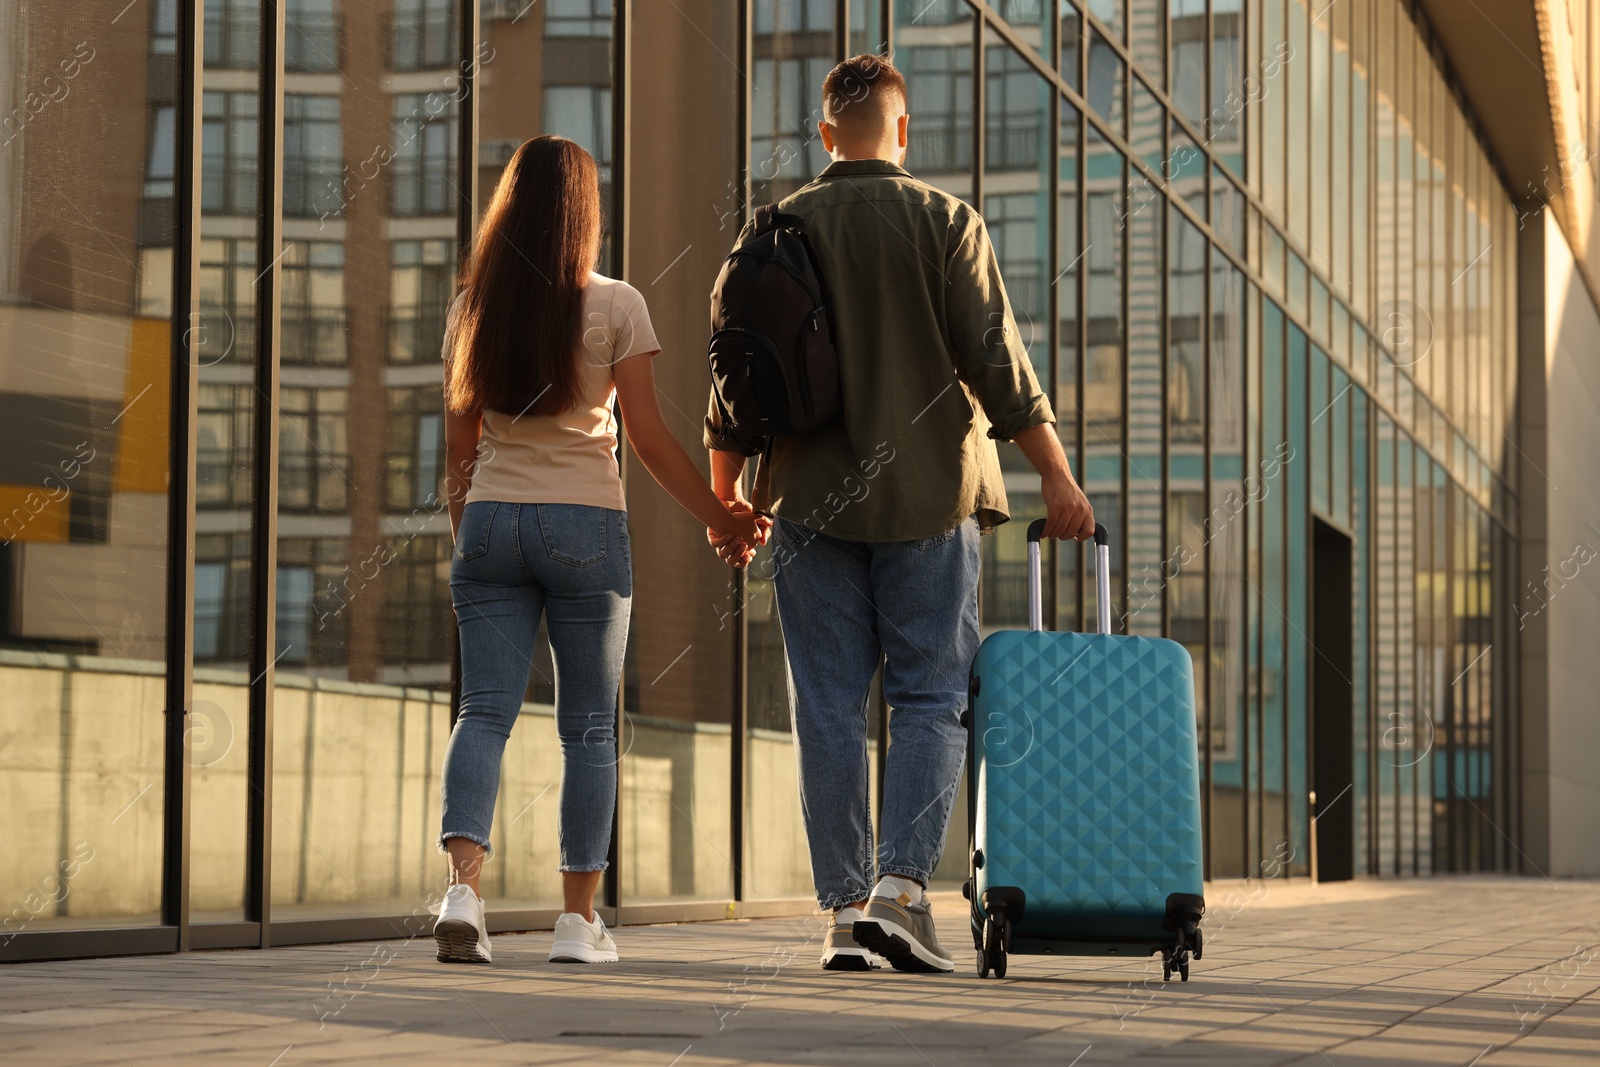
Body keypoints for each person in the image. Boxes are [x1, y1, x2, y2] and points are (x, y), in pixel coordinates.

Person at [705, 56, 1095, 973]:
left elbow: (731, 372)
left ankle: (845, 911)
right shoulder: (945, 221)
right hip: (928, 496)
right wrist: (1057, 478)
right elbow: (997, 361)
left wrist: (727, 499)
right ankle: (903, 892)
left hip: (805, 501)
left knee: (829, 705)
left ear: (826, 132)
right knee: (927, 695)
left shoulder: (776, 227)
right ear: (904, 130)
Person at [433, 136, 766, 966]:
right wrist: (721, 515)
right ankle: (577, 923)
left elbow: (458, 450)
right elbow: (648, 440)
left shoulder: (474, 305)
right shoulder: (617, 304)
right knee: (586, 727)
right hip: (584, 524)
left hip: (493, 523)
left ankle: (462, 895)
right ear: (587, 210)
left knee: (483, 712)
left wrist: (466, 538)